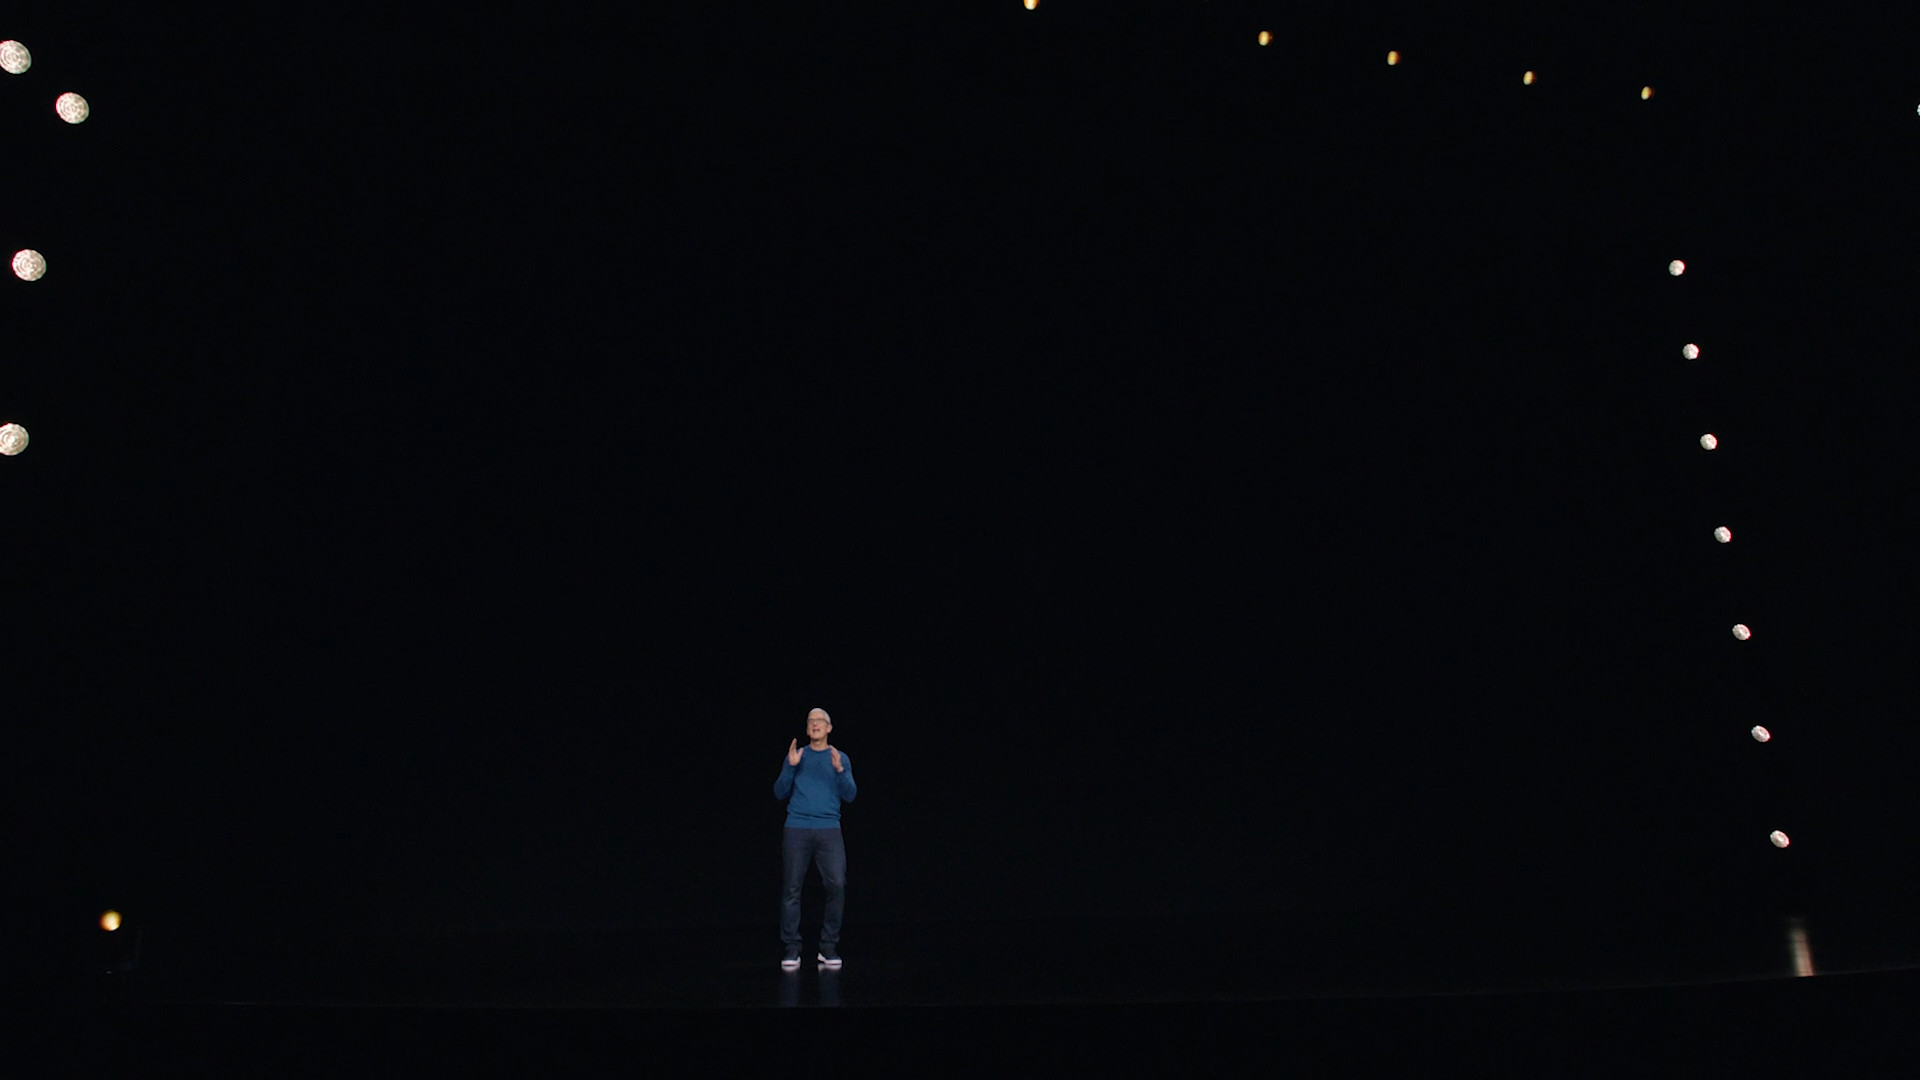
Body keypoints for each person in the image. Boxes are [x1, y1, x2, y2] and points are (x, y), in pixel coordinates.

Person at [773, 707, 857, 970]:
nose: (815, 724)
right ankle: (792, 947)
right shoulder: (796, 756)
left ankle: (828, 946)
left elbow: (850, 795)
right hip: (797, 828)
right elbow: (779, 792)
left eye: (820, 720)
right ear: (807, 728)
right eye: (811, 721)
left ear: (829, 728)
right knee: (792, 889)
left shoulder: (839, 757)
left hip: (828, 829)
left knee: (837, 885)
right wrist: (790, 767)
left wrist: (840, 770)